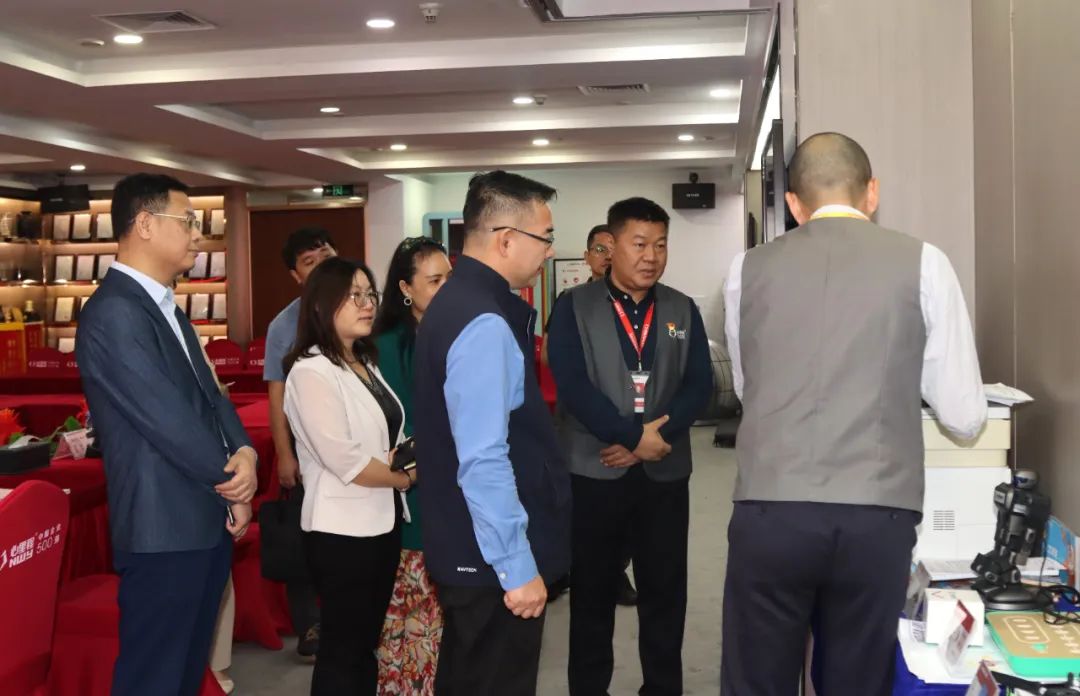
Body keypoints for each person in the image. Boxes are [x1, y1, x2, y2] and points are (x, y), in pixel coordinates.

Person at [720, 132, 987, 695]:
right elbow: (964, 415)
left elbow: (748, 387)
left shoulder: (748, 268)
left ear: (794, 204)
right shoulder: (925, 263)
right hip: (876, 514)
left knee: (756, 678)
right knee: (857, 680)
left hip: (772, 508)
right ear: (872, 193)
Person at [76, 173, 257, 696]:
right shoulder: (114, 313)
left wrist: (245, 451)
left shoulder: (166, 307)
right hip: (162, 529)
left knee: (182, 675)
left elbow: (212, 397)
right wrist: (232, 480)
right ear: (145, 225)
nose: (198, 235)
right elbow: (167, 420)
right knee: (153, 678)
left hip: (198, 519)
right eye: (188, 221)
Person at [413, 170, 572, 696]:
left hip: (467, 547)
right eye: (545, 237)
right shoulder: (482, 320)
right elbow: (483, 459)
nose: (550, 250)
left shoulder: (456, 303)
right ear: (506, 239)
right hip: (487, 560)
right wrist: (516, 564)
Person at [547, 196, 712, 696]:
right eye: (639, 244)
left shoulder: (681, 308)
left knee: (665, 593)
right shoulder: (573, 307)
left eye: (660, 245)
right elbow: (573, 385)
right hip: (595, 472)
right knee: (592, 594)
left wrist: (650, 442)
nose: (651, 256)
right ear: (611, 246)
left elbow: (698, 385)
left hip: (664, 473)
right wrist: (632, 437)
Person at [283, 256, 415, 695]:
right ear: (323, 305)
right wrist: (405, 478)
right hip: (341, 532)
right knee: (342, 649)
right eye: (354, 295)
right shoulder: (311, 372)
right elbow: (347, 460)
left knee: (363, 645)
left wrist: (404, 457)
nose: (367, 304)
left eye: (369, 294)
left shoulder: (363, 361)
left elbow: (383, 437)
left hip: (381, 520)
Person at [373, 236, 453, 695]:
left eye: (449, 279)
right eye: (434, 280)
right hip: (412, 491)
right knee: (409, 617)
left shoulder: (456, 332)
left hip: (455, 487)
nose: (446, 289)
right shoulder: (386, 346)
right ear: (405, 288)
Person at [543, 222, 637, 607]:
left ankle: (616, 571)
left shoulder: (636, 303)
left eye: (613, 249)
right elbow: (549, 355)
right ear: (586, 257)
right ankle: (571, 568)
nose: (607, 257)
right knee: (579, 507)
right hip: (579, 422)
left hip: (626, 421)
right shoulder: (571, 302)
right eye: (599, 249)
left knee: (627, 507)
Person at [264, 227, 337, 658]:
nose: (322, 265)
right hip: (306, 449)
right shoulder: (284, 325)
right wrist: (284, 454)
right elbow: (276, 397)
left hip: (358, 447)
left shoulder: (368, 308)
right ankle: (309, 624)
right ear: (296, 275)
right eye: (310, 262)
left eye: (326, 255)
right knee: (304, 535)